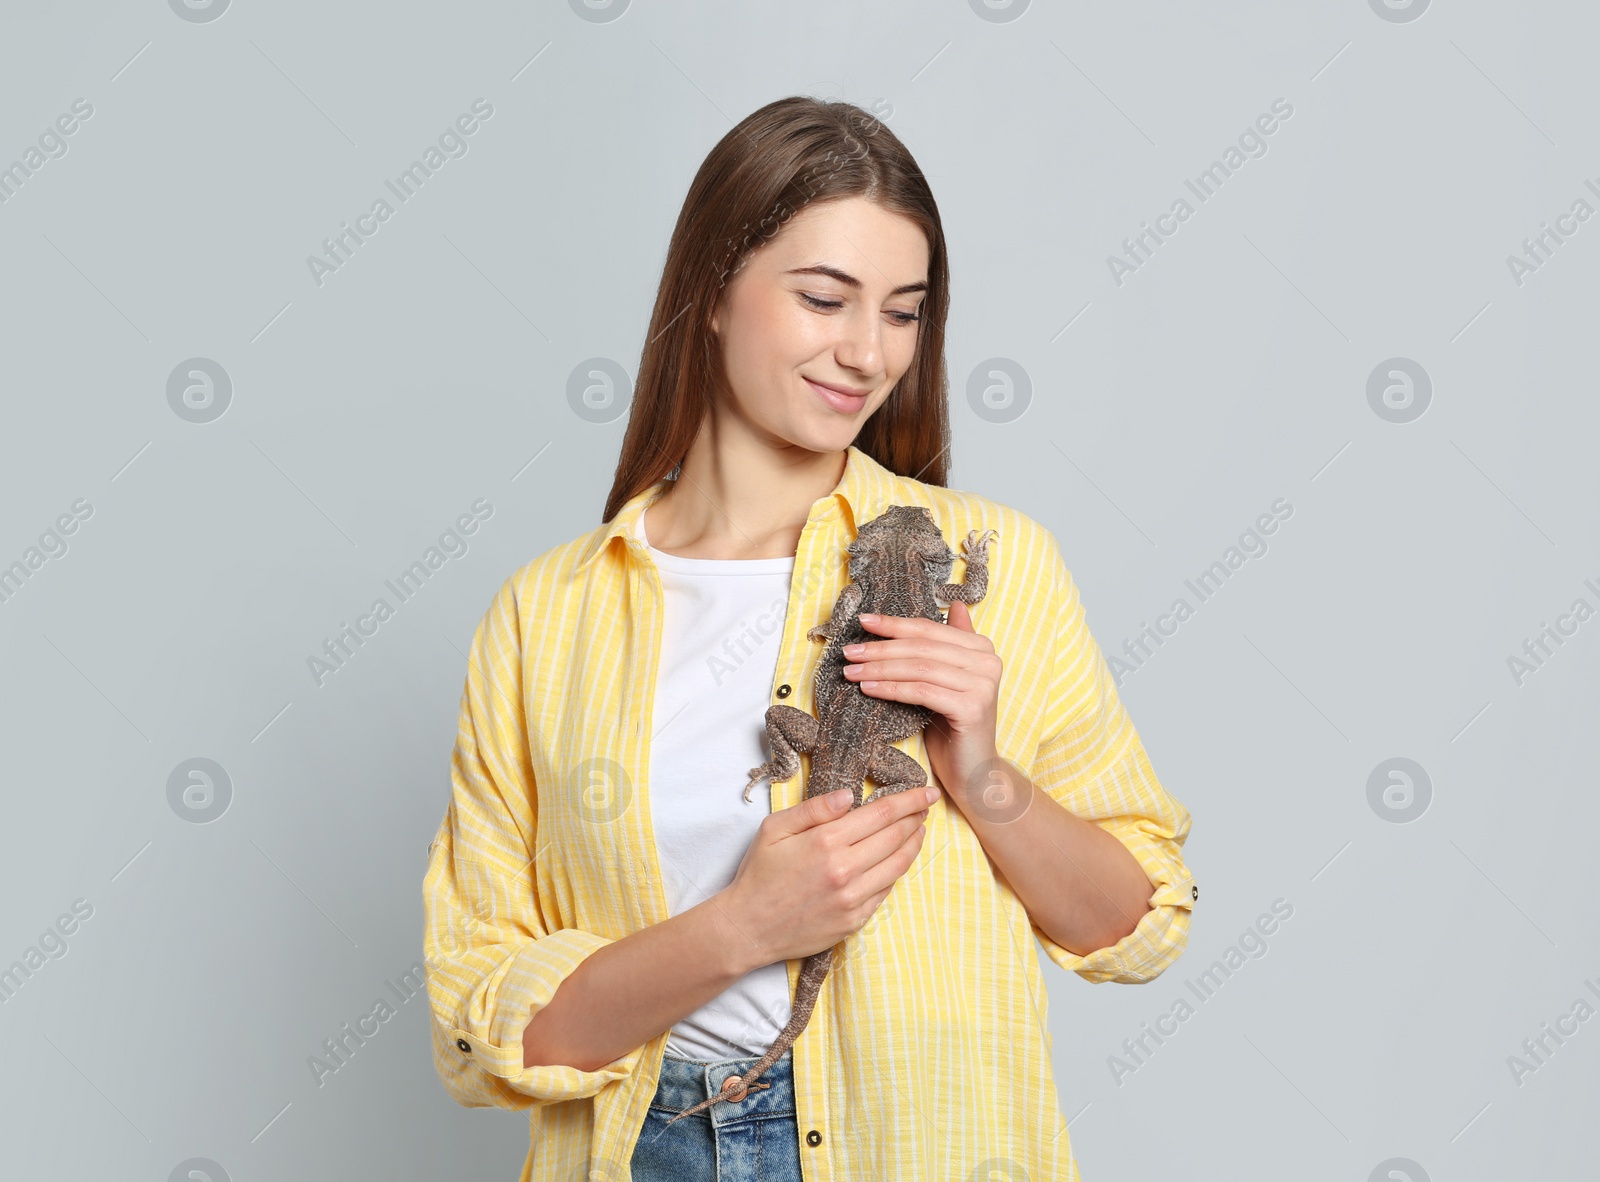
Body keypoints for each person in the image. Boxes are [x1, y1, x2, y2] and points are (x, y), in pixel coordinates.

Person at [421, 95, 1196, 1182]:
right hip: (652, 1147)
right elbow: (482, 1023)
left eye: (902, 311)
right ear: (711, 296)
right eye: (825, 298)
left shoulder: (987, 560)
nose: (865, 352)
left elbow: (1141, 927)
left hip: (916, 1147)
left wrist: (979, 771)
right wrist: (743, 927)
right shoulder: (545, 615)